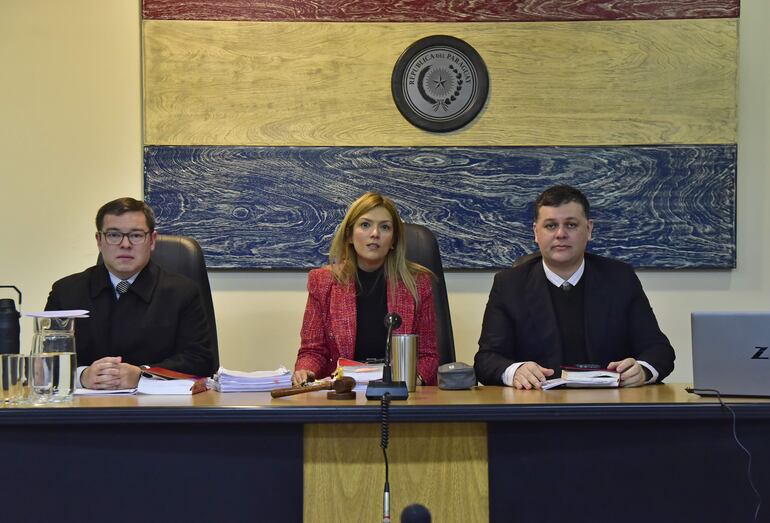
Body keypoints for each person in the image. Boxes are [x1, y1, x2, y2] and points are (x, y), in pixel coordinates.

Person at [474, 185, 675, 389]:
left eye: (571, 225)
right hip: (537, 409)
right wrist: (515, 371)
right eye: (551, 226)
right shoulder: (509, 284)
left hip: (609, 408)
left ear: (588, 230)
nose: (561, 234)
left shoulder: (620, 278)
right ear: (536, 232)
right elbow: (486, 360)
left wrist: (642, 370)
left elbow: (658, 350)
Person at [45, 197, 214, 389]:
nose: (125, 244)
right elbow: (45, 362)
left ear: (152, 240)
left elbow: (201, 361)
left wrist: (143, 374)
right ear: (99, 241)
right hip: (83, 412)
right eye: (114, 235)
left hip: (160, 412)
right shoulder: (65, 291)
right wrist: (81, 376)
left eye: (135, 235)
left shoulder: (183, 292)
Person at [293, 192, 439, 386]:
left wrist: (412, 383)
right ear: (349, 235)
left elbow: (428, 355)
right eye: (365, 225)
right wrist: (306, 371)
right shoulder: (323, 282)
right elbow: (314, 351)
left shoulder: (417, 284)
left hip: (400, 395)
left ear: (394, 239)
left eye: (385, 227)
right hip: (345, 394)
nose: (375, 234)